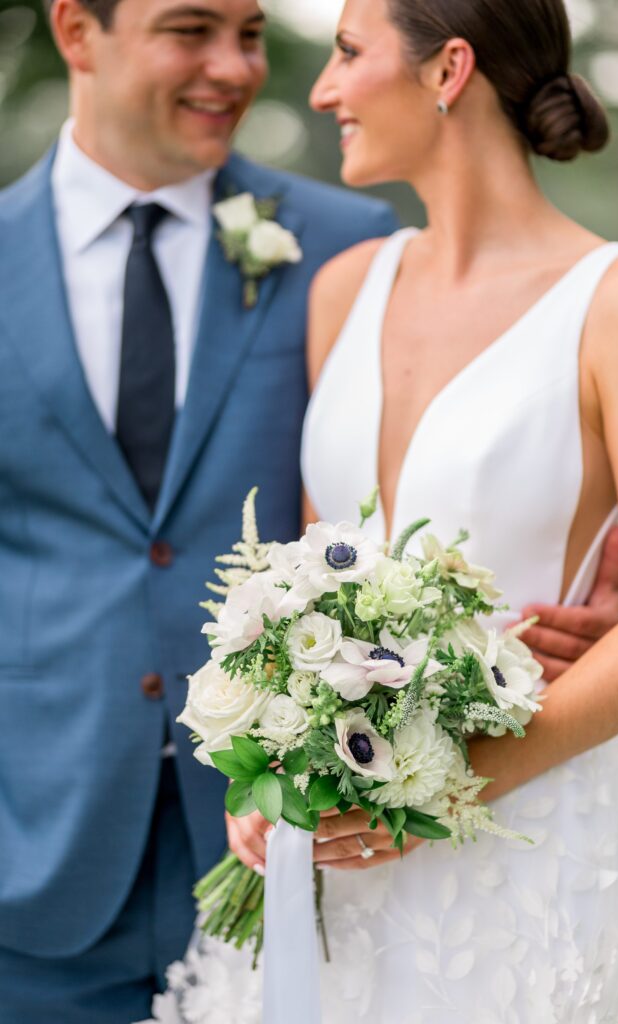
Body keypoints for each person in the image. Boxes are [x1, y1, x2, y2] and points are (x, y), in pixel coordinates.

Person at [178, 0, 618, 1020]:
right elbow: (314, 573)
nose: (321, 90)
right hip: (328, 843)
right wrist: (270, 758)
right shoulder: (343, 288)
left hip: (523, 839)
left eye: (349, 55)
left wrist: (450, 785)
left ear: (448, 70)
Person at [0, 1, 401, 1021]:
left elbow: (413, 493)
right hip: (33, 844)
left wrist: (538, 611)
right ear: (76, 33)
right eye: (192, 30)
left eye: (252, 34)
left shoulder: (352, 244)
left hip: (291, 836)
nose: (234, 67)